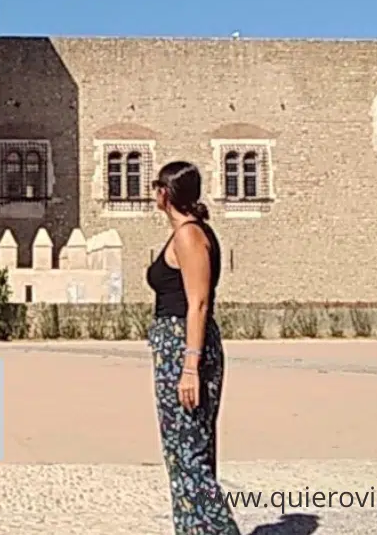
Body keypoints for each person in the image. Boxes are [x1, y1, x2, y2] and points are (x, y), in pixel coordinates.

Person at [147, 160, 241, 534]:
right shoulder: (185, 232)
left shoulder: (189, 235)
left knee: (189, 454)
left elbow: (198, 303)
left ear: (166, 193)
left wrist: (190, 367)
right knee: (184, 451)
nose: (153, 194)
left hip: (184, 351)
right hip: (176, 348)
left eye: (156, 186)